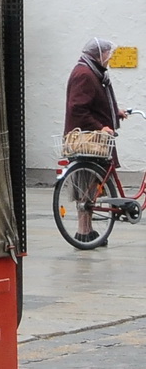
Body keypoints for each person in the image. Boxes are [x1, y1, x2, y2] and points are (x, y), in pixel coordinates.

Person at [63, 37, 131, 245]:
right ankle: (83, 232)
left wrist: (115, 112)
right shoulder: (84, 74)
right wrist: (100, 126)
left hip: (97, 139)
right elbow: (78, 108)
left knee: (93, 185)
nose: (109, 59)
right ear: (97, 54)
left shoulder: (92, 71)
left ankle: (88, 231)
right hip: (89, 139)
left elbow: (94, 102)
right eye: (107, 54)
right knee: (88, 185)